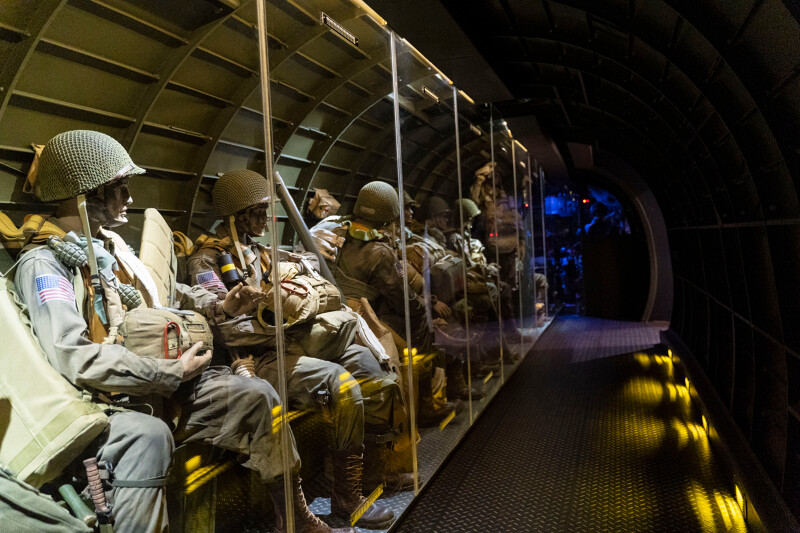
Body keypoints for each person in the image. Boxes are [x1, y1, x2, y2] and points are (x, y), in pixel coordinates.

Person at [15, 130, 353, 533]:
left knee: (260, 396)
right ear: (86, 195)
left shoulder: (111, 247)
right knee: (155, 434)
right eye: (120, 189)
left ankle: (291, 516)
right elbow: (73, 355)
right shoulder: (46, 265)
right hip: (114, 397)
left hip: (164, 381)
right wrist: (167, 373)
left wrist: (220, 305)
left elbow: (164, 292)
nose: (130, 199)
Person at [185, 170, 410, 505]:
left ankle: (375, 471)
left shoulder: (258, 250)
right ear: (237, 216)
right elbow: (222, 321)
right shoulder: (208, 259)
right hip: (256, 358)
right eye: (258, 213)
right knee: (342, 386)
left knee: (370, 365)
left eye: (266, 211)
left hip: (291, 341)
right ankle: (346, 497)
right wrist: (249, 312)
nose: (266, 219)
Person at [311, 181, 458, 426]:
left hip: (335, 313)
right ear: (389, 217)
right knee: (420, 320)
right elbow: (405, 302)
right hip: (362, 318)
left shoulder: (338, 233)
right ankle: (425, 405)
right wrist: (426, 306)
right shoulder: (380, 252)